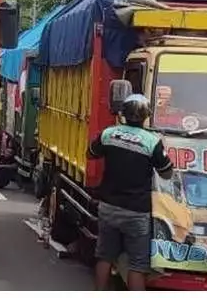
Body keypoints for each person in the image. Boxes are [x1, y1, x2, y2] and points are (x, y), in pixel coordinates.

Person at [88, 93, 174, 291]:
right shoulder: (152, 142)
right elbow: (167, 173)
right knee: (137, 265)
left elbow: (91, 153)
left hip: (108, 207)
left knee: (104, 257)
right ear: (146, 116)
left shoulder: (109, 134)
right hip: (137, 212)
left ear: (123, 114)